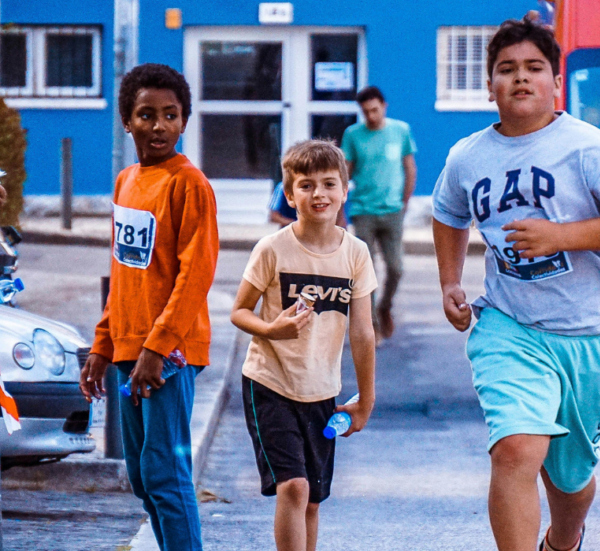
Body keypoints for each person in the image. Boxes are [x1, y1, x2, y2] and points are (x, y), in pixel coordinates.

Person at [432, 17, 600, 551]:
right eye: (506, 69)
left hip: (592, 332)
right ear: (488, 84)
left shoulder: (586, 147)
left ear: (555, 82)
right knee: (514, 449)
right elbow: (448, 214)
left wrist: (562, 235)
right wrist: (450, 280)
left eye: (534, 68)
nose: (520, 79)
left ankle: (564, 538)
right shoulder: (468, 156)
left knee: (570, 480)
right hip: (510, 325)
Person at [78, 63, 218, 551]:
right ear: (127, 121)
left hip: (168, 355)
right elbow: (122, 272)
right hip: (126, 350)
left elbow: (195, 274)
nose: (158, 126)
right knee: (140, 476)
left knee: (165, 472)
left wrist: (157, 348)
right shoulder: (126, 182)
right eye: (146, 115)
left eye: (170, 115)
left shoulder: (189, 184)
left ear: (183, 122)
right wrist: (103, 343)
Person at [230, 139, 377, 551]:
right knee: (293, 488)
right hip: (269, 383)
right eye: (307, 185)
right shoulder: (272, 248)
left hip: (322, 390)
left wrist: (366, 399)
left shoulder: (356, 254)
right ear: (290, 194)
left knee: (312, 500)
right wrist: (271, 329)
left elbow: (362, 333)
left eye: (329, 184)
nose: (319, 194)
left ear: (344, 191)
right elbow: (239, 311)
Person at [341, 86, 417, 343]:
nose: (371, 116)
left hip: (393, 210)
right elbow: (344, 174)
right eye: (365, 112)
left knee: (396, 268)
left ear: (384, 106)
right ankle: (371, 325)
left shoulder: (400, 131)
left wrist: (404, 202)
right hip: (363, 211)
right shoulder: (353, 135)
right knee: (366, 271)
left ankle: (385, 306)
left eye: (374, 110)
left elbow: (409, 168)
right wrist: (339, 210)